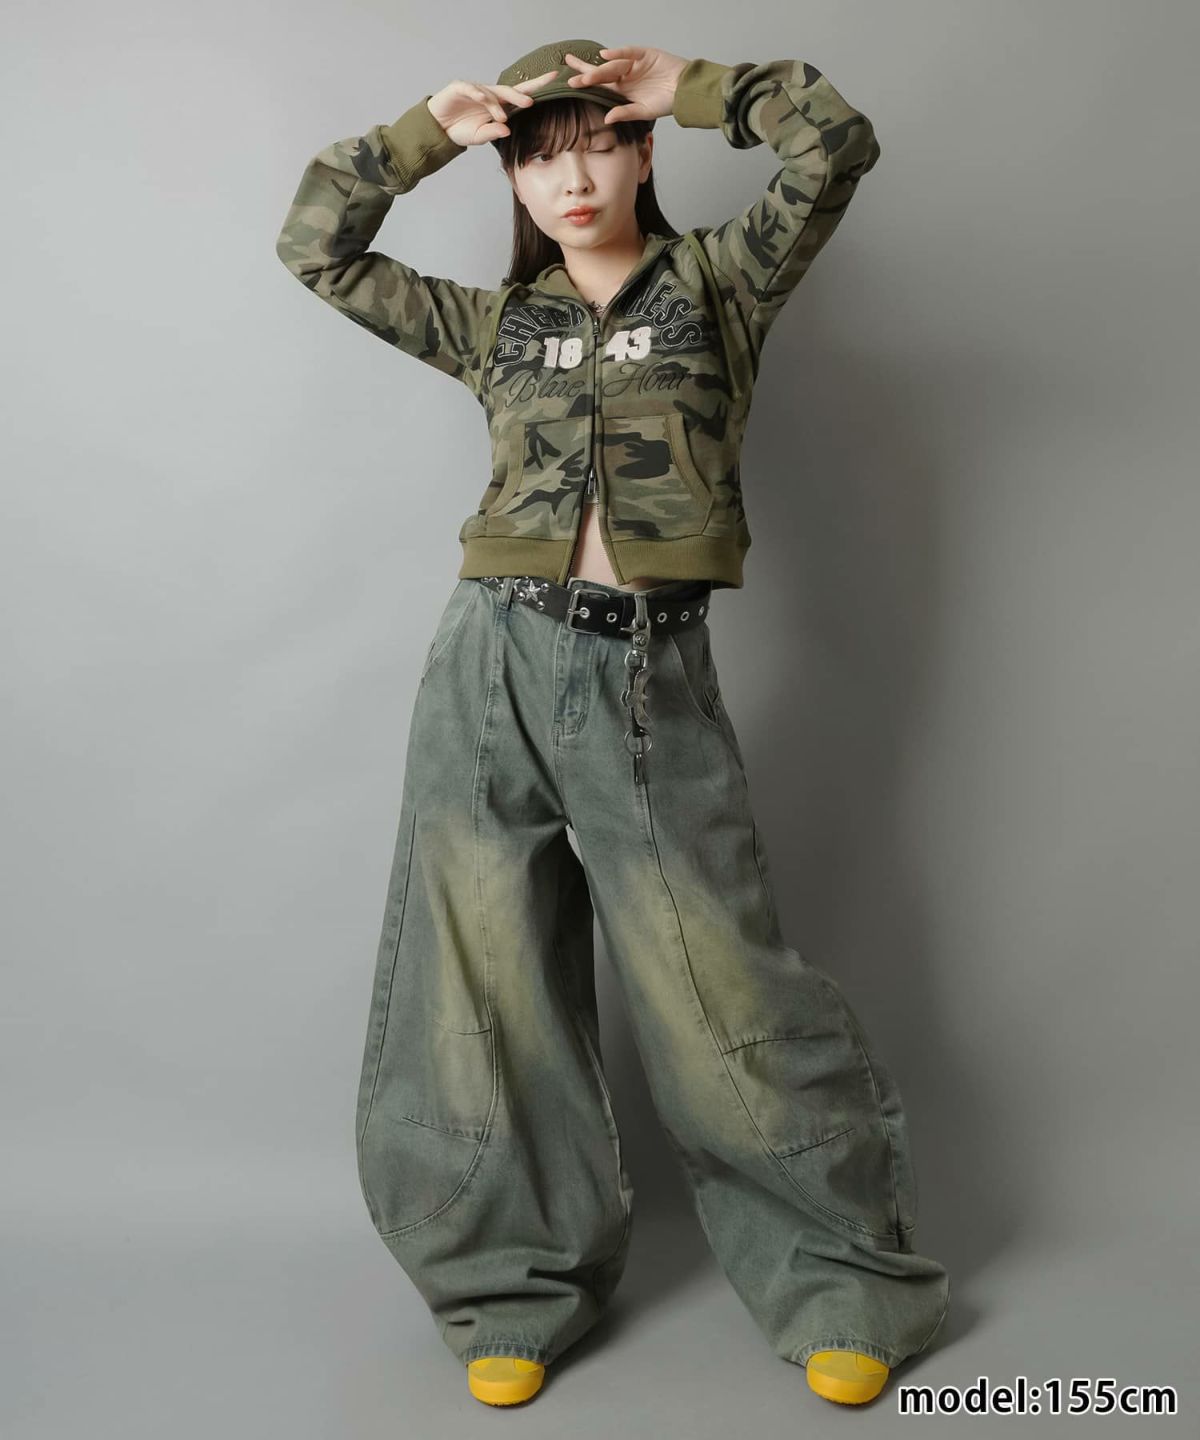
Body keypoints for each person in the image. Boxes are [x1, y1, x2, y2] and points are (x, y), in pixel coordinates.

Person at [275, 38, 951, 1409]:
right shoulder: (493, 326)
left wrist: (693, 87)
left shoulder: (721, 284)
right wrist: (428, 132)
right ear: (514, 179)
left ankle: (840, 1280)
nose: (570, 178)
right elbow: (318, 247)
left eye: (596, 143)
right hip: (488, 665)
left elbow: (834, 145)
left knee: (720, 985)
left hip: (649, 671)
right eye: (539, 157)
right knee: (483, 979)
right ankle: (509, 1285)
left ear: (641, 150)